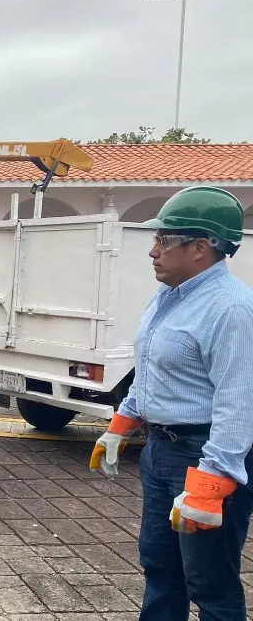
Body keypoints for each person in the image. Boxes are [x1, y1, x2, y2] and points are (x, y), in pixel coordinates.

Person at [89, 185, 253, 620]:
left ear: (201, 248)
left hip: (202, 456)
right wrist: (121, 423)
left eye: (164, 240)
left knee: (210, 582)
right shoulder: (169, 296)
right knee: (161, 567)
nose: (153, 250)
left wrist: (214, 480)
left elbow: (239, 404)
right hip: (160, 451)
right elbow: (151, 370)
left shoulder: (231, 310)